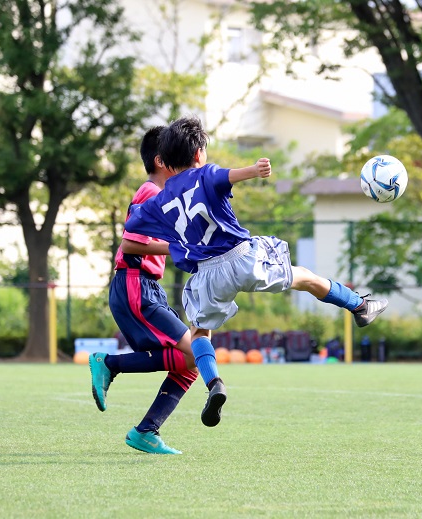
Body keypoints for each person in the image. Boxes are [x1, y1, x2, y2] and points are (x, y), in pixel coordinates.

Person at [123, 116, 389, 420]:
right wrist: (256, 170)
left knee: (199, 333)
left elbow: (133, 222)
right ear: (198, 154)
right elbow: (229, 176)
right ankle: (359, 306)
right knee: (304, 277)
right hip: (242, 258)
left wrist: (142, 208)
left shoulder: (162, 199)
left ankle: (214, 383)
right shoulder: (206, 174)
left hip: (207, 276)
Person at [88, 127, 198, 455]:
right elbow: (130, 243)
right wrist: (181, 248)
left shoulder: (161, 195)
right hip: (136, 284)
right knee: (197, 354)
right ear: (162, 160)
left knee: (190, 362)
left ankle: (146, 432)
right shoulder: (151, 190)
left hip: (145, 287)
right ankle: (109, 364)